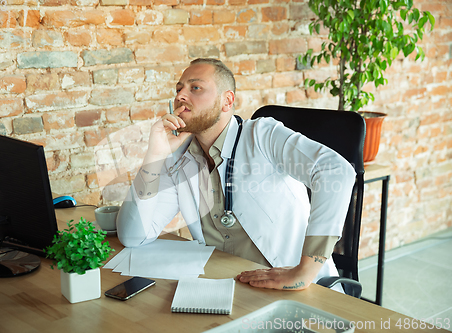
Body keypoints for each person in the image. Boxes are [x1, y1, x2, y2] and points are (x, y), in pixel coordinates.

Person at [117, 58, 355, 291]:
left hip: (288, 289)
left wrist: (304, 271)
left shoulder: (263, 135)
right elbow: (133, 237)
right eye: (179, 89)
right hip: (225, 288)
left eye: (195, 88)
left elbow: (337, 172)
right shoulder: (180, 159)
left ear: (226, 101)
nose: (180, 96)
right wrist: (154, 157)